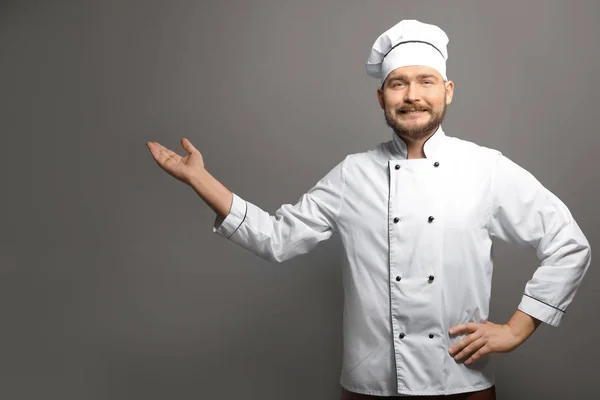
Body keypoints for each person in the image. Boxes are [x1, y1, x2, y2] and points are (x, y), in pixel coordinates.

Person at [146, 19, 591, 400]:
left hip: (461, 385)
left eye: (425, 81)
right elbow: (276, 239)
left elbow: (569, 244)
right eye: (399, 83)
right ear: (382, 97)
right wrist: (198, 179)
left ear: (448, 91)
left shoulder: (485, 168)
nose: (412, 95)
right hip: (371, 387)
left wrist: (515, 329)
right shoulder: (352, 175)